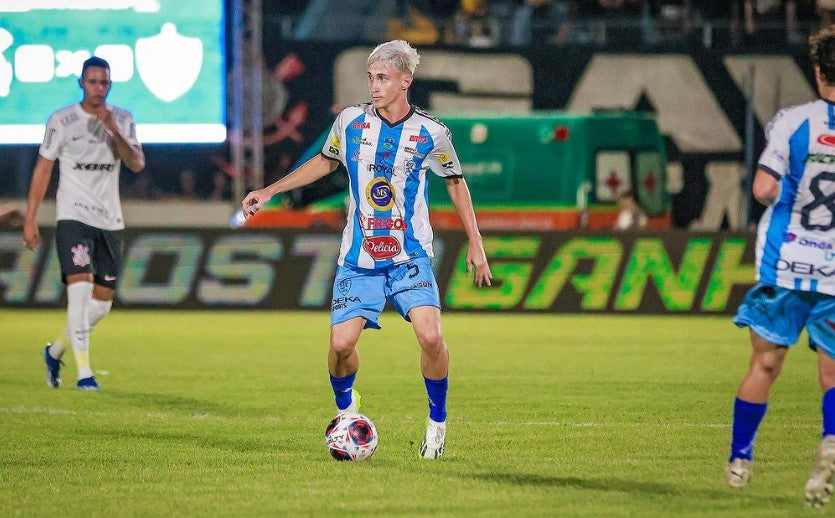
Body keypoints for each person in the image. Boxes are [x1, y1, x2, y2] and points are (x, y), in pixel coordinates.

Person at [242, 39, 492, 459]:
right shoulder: (351, 123)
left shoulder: (432, 133)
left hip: (409, 257)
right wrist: (270, 190)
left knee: (431, 337)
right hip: (358, 260)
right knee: (340, 347)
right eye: (371, 77)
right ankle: (347, 410)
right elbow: (324, 161)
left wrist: (476, 242)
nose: (373, 86)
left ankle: (437, 424)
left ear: (405, 82)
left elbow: (455, 182)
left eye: (382, 78)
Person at [725, 28, 835, 508]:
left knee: (765, 363)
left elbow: (764, 189)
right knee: (833, 375)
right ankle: (829, 448)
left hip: (785, 264)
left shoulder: (794, 121)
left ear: (817, 71)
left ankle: (740, 461)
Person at [22, 56, 145, 391]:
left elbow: (136, 162)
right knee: (78, 290)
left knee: (102, 304)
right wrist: (30, 218)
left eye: (104, 82)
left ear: (110, 84)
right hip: (73, 215)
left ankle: (55, 351)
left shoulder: (122, 119)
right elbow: (43, 170)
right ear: (81, 83)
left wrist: (113, 131)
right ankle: (84, 374)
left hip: (109, 218)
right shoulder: (61, 121)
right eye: (92, 81)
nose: (99, 88)